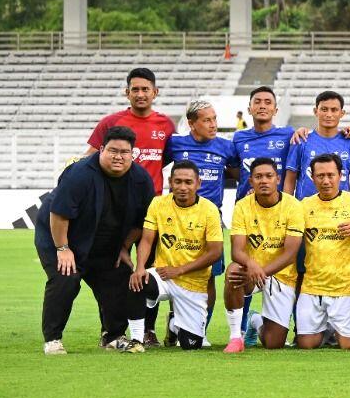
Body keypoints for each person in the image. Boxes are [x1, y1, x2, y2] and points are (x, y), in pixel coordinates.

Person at [36, 125, 153, 354]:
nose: (118, 157)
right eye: (112, 151)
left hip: (104, 242)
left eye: (124, 152)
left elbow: (142, 221)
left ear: (133, 154)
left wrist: (124, 247)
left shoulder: (140, 179)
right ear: (101, 150)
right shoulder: (79, 174)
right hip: (61, 237)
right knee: (66, 278)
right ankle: (53, 339)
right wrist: (62, 248)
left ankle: (113, 336)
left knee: (119, 276)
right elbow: (58, 214)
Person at [161, 98, 240, 345]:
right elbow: (155, 166)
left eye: (214, 119)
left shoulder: (226, 147)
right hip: (177, 218)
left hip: (210, 218)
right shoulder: (175, 144)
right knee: (177, 275)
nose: (213, 124)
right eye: (207, 120)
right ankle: (177, 322)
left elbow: (239, 174)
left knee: (208, 276)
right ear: (191, 123)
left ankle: (199, 330)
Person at [131, 161, 224, 350]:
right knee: (138, 282)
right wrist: (139, 268)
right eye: (178, 181)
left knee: (191, 345)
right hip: (163, 275)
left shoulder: (209, 209)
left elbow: (215, 252)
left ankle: (174, 324)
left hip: (194, 283)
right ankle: (137, 340)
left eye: (188, 182)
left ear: (198, 183)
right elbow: (147, 240)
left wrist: (179, 270)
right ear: (170, 182)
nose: (182, 187)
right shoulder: (158, 203)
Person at [293, 153, 350, 350]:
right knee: (306, 345)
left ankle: (344, 329)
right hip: (312, 287)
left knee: (349, 345)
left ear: (340, 176)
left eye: (331, 175)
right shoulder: (303, 206)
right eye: (320, 176)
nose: (326, 181)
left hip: (344, 287)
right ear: (312, 177)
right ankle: (256, 321)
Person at [225, 156, 303, 352]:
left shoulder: (293, 206)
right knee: (233, 272)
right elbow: (236, 251)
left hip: (281, 274)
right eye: (258, 177)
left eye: (269, 176)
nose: (264, 181)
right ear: (250, 181)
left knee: (273, 343)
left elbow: (290, 254)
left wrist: (262, 272)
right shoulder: (242, 206)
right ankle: (235, 337)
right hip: (251, 271)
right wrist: (252, 265)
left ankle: (254, 320)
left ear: (278, 179)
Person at [85, 66, 176, 193]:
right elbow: (90, 157)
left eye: (145, 89)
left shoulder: (167, 124)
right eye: (135, 90)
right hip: (117, 197)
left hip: (153, 198)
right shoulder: (110, 122)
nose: (140, 94)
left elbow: (167, 157)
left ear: (155, 92)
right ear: (127, 93)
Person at [284, 91, 350, 200]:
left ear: (342, 113)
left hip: (341, 208)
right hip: (306, 207)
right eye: (324, 109)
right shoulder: (301, 140)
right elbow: (290, 180)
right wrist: (286, 207)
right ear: (315, 111)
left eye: (334, 110)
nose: (329, 114)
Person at [232, 86, 295, 201]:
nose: (262, 106)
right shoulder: (239, 137)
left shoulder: (289, 134)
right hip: (245, 204)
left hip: (278, 206)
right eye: (257, 102)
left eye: (268, 102)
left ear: (275, 110)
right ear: (249, 109)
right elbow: (234, 170)